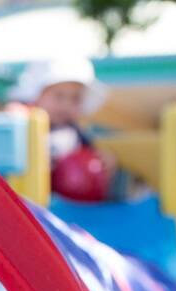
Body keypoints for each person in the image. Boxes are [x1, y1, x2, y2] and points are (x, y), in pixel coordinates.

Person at [11, 56, 118, 201]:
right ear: (37, 96)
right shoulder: (26, 122)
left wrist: (104, 162)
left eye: (75, 99)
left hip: (66, 202)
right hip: (30, 200)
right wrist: (15, 118)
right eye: (59, 96)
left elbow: (91, 153)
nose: (66, 105)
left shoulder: (74, 132)